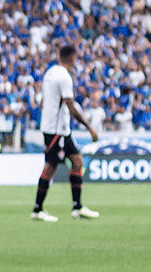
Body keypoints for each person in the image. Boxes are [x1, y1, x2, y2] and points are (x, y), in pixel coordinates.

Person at [31, 45, 100, 222]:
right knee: (50, 167)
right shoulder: (64, 77)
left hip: (58, 128)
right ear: (72, 58)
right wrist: (89, 127)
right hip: (56, 130)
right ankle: (37, 209)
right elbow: (71, 106)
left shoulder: (50, 72)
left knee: (77, 162)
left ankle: (77, 207)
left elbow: (43, 101)